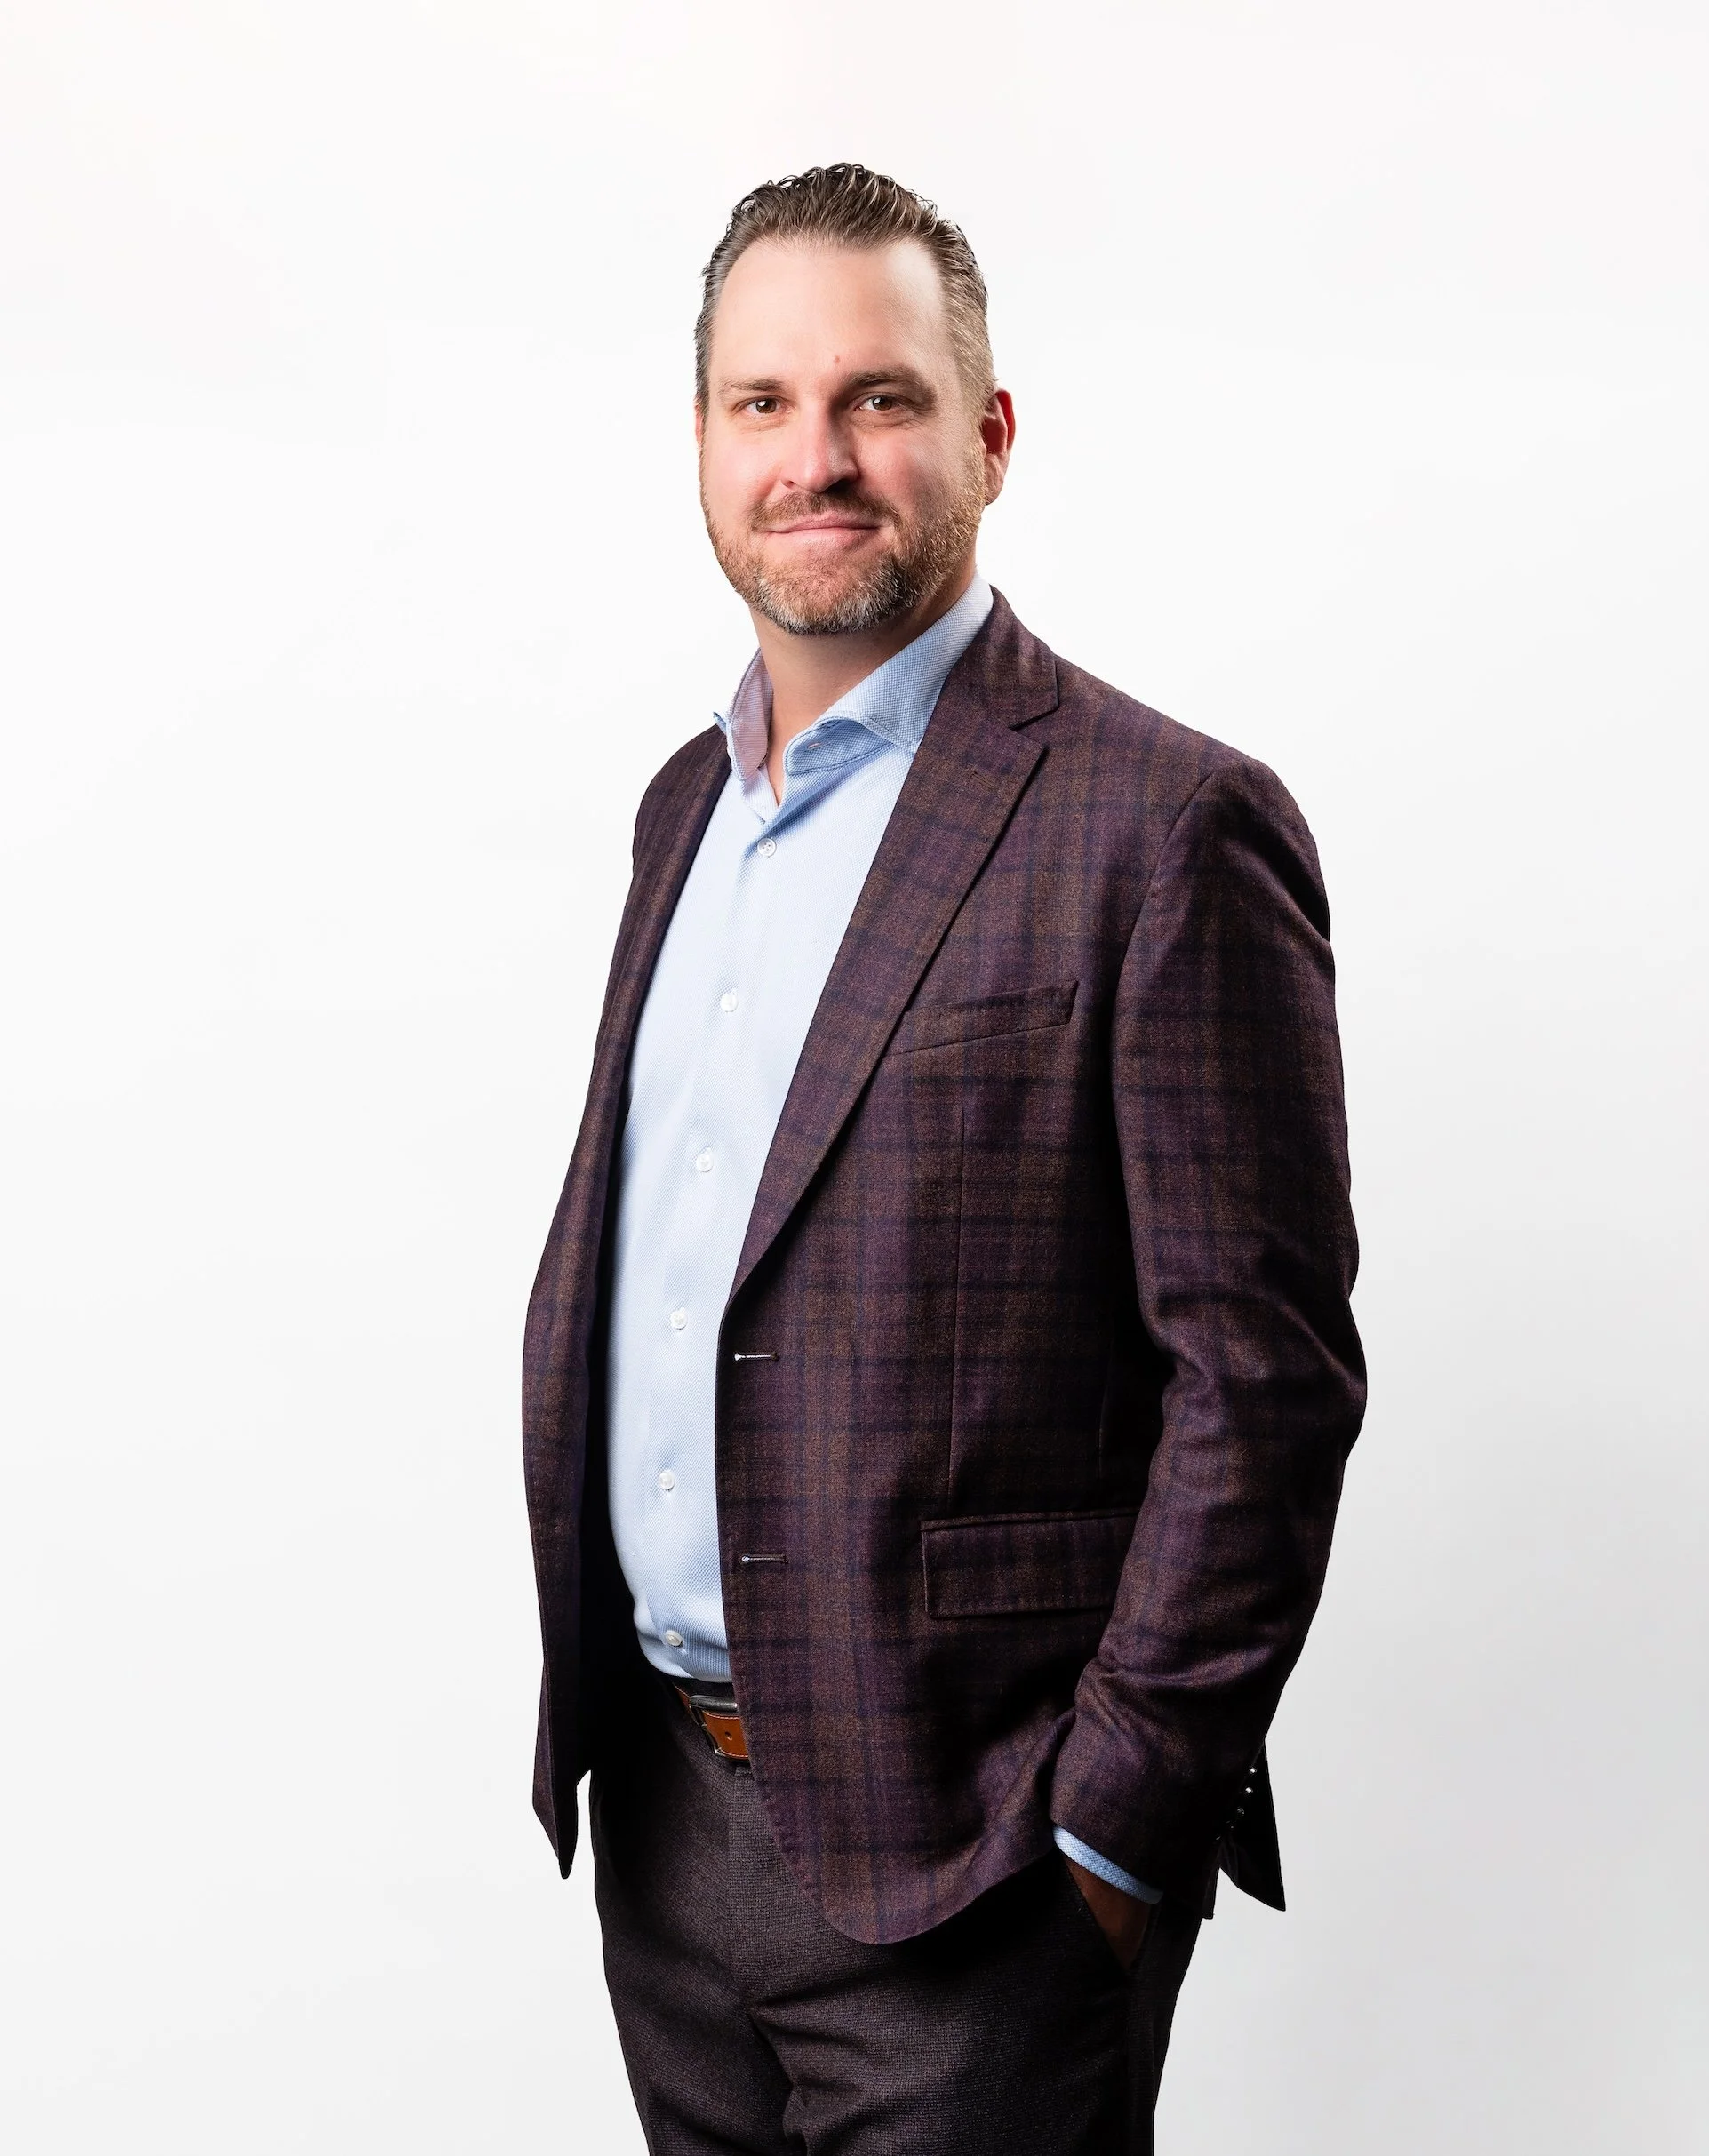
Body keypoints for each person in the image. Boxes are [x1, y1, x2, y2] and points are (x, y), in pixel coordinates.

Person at [522, 163, 1366, 2155]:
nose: (815, 456)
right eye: (763, 402)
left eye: (878, 399)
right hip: (666, 1831)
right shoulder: (681, 812)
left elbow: (1262, 1382)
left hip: (978, 1869)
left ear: (986, 434)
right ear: (703, 442)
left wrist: (1112, 1835)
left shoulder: (1163, 825)